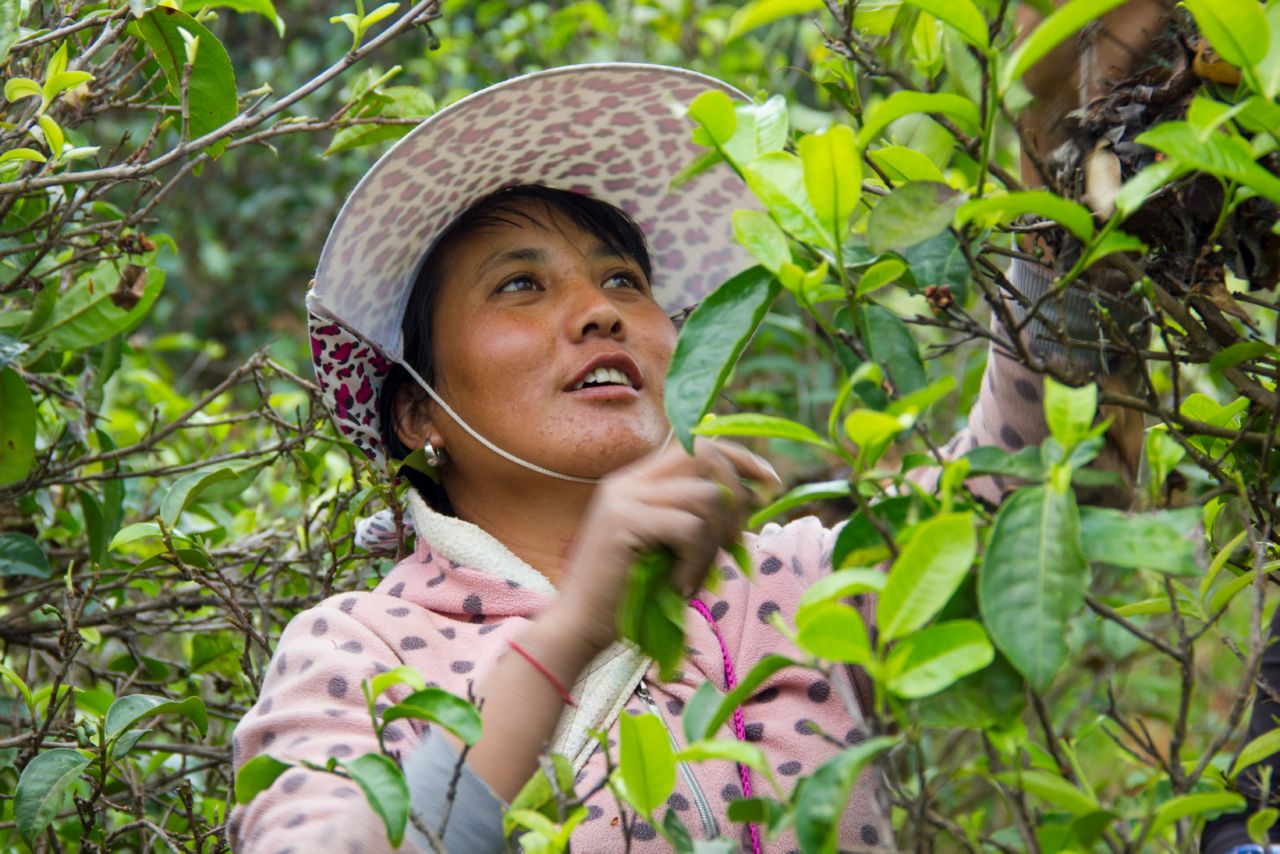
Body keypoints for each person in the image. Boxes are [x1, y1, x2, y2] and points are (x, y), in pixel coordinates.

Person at [228, 19, 1178, 848]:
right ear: (418, 412)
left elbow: (1037, 506)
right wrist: (569, 635)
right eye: (520, 284)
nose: (600, 312)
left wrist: (1063, 151)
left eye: (625, 282)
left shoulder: (799, 582)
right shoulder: (363, 651)